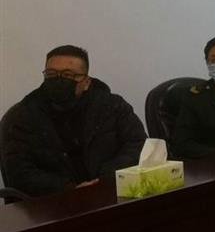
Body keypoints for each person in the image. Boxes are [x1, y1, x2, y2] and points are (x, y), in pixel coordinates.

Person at [0, 45, 146, 197]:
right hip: (55, 201)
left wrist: (103, 180)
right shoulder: (23, 116)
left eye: (68, 75)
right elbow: (19, 172)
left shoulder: (111, 105)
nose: (58, 80)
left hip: (113, 190)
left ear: (86, 82)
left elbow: (138, 144)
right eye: (51, 74)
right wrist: (68, 188)